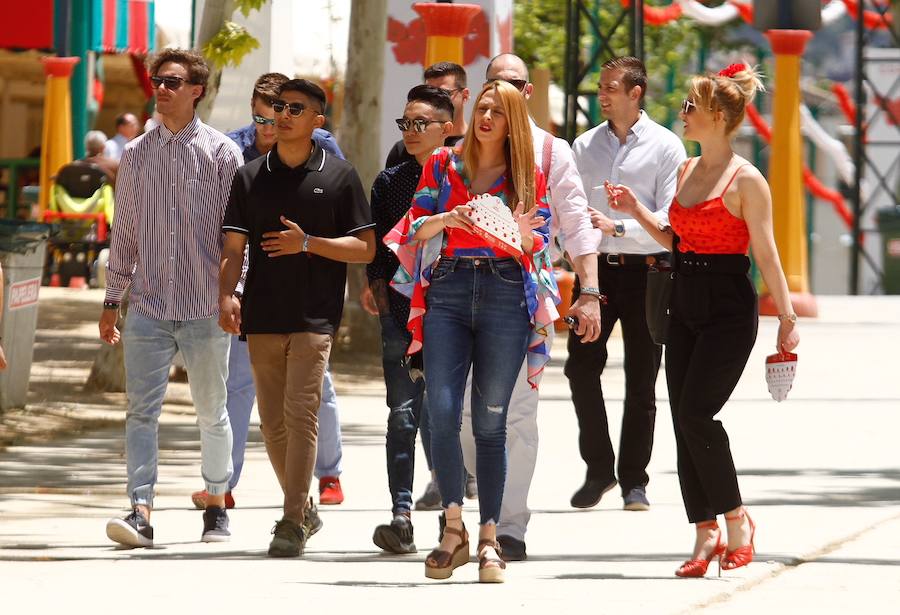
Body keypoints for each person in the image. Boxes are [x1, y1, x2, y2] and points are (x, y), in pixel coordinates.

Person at [606, 63, 800, 578]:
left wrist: (786, 316)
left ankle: (736, 520)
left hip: (729, 308)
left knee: (696, 415)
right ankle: (704, 531)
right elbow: (675, 237)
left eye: (691, 106)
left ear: (717, 115)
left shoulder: (747, 180)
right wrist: (632, 213)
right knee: (682, 420)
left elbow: (767, 253)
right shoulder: (686, 172)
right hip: (683, 297)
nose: (683, 114)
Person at [386, 80, 558, 583]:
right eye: (481, 108)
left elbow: (541, 238)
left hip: (506, 292)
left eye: (497, 113)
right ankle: (452, 528)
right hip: (450, 287)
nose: (486, 118)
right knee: (440, 411)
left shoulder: (529, 172)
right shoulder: (442, 164)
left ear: (511, 122)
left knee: (490, 419)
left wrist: (527, 235)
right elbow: (415, 228)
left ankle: (489, 537)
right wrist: (447, 216)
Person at [220, 78, 375, 558]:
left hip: (314, 316)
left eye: (295, 108)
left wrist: (308, 243)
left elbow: (365, 247)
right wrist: (226, 295)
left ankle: (289, 521)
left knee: (300, 412)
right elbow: (232, 248)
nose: (283, 114)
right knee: (271, 423)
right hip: (262, 313)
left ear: (317, 121)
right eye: (278, 107)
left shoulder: (341, 175)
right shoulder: (248, 177)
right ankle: (303, 505)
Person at [457, 53, 601, 562]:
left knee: (515, 414)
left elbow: (578, 222)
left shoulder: (550, 152)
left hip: (522, 297)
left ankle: (510, 528)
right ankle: (482, 489)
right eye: (495, 83)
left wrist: (589, 290)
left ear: (528, 93)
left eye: (515, 84)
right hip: (458, 297)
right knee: (463, 416)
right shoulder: (462, 150)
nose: (505, 92)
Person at [100, 48, 242, 548]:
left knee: (212, 411)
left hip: (205, 305)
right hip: (149, 305)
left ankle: (218, 503)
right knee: (141, 411)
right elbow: (126, 232)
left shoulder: (224, 153)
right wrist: (112, 300)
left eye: (174, 81)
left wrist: (234, 293)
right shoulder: (136, 154)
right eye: (159, 80)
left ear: (197, 90)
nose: (162, 88)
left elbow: (236, 235)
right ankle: (139, 509)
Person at [190, 72, 348, 515]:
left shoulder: (325, 152)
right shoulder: (233, 152)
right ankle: (228, 482)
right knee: (240, 389)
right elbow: (229, 234)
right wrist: (227, 292)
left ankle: (328, 473)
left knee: (316, 394)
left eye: (281, 111)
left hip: (311, 297)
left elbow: (346, 223)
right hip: (254, 292)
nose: (271, 122)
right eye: (263, 114)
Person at [567, 56, 687, 512]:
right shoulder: (583, 146)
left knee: (642, 379)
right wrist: (578, 260)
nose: (602, 94)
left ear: (636, 93)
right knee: (580, 368)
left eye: (611, 87)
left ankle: (634, 480)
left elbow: (669, 222)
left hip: (649, 273)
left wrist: (619, 227)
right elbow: (570, 213)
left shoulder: (667, 147)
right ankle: (599, 468)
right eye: (600, 86)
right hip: (596, 273)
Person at [367, 61, 476, 511]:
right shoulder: (390, 181)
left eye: (420, 123)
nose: (410, 131)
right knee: (402, 414)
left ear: (446, 128)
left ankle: (456, 507)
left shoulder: (465, 179)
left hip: (451, 310)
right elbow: (378, 245)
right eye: (405, 123)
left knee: (446, 411)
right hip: (398, 310)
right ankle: (401, 512)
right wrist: (373, 283)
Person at [384, 62, 470, 169]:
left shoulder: (475, 146)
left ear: (465, 95)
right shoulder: (403, 150)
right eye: (428, 93)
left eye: (444, 93)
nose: (433, 100)